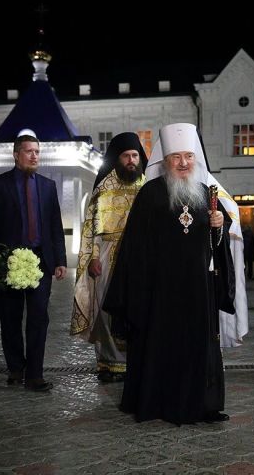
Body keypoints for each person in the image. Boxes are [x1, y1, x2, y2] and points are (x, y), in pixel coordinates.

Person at [103, 122, 235, 425]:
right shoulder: (150, 193)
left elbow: (217, 246)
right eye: (177, 157)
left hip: (198, 289)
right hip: (160, 290)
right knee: (161, 346)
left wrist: (219, 226)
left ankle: (203, 404)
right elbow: (135, 248)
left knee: (199, 347)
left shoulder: (207, 194)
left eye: (189, 156)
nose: (184, 163)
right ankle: (158, 403)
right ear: (165, 160)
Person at [0, 134, 67, 392]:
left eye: (37, 151)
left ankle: (35, 375)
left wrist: (60, 260)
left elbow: (54, 226)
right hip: (10, 263)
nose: (34, 156)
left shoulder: (48, 186)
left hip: (41, 262)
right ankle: (16, 369)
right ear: (16, 154)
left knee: (39, 318)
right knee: (10, 318)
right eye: (28, 151)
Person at [70, 132, 147, 383]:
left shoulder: (147, 185)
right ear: (117, 158)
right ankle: (109, 362)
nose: (132, 160)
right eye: (126, 155)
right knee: (105, 308)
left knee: (135, 306)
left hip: (138, 256)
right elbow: (91, 225)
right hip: (107, 253)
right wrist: (93, 257)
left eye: (135, 155)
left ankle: (136, 360)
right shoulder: (103, 187)